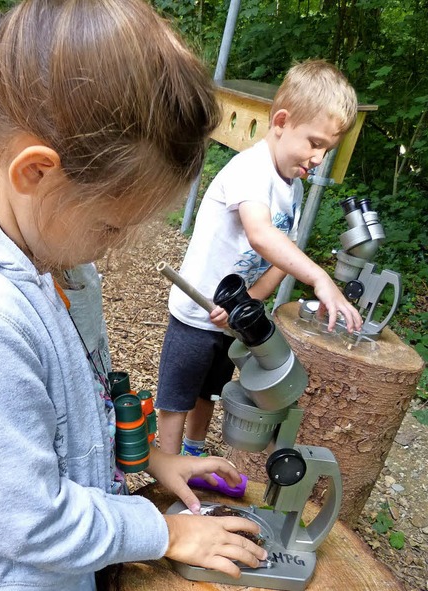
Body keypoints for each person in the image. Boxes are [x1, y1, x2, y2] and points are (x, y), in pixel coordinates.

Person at [0, 2, 268, 590]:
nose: (110, 250)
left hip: (74, 562)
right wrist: (164, 531)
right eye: (109, 226)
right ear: (36, 173)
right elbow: (25, 517)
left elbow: (81, 412)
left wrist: (151, 458)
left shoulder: (58, 263)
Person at [156, 59, 363, 457]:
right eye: (315, 143)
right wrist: (320, 278)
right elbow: (262, 235)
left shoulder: (294, 189)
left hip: (231, 319)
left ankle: (194, 454)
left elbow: (277, 261)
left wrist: (248, 303)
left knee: (209, 394)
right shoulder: (251, 169)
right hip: (195, 313)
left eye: (328, 150)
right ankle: (168, 467)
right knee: (178, 396)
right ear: (281, 121)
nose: (319, 159)